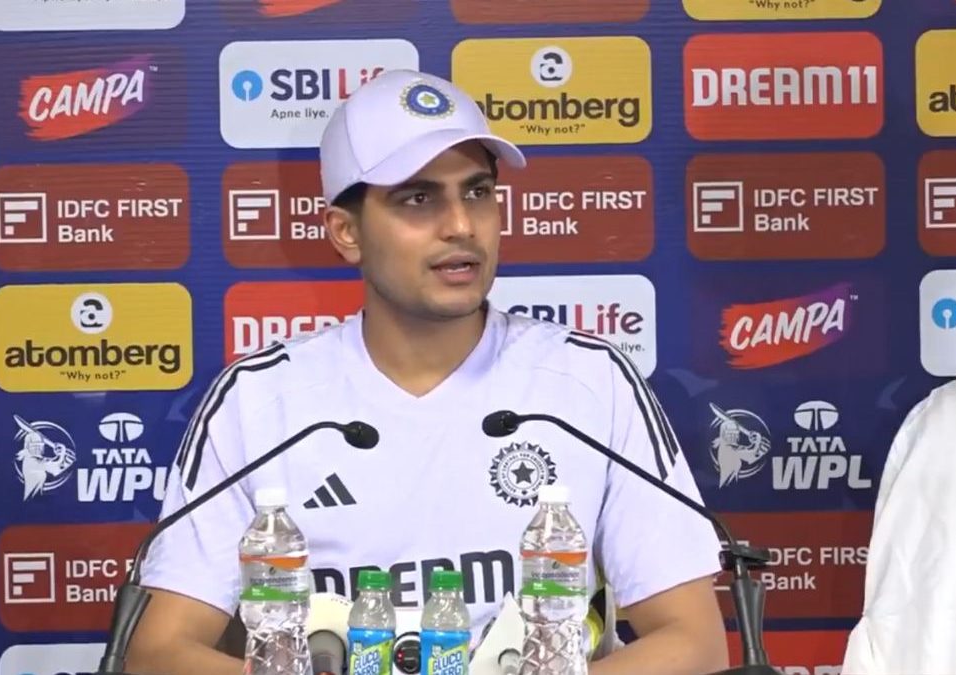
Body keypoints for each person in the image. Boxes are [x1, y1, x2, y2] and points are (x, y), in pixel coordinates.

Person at [126, 69, 728, 674]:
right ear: (346, 232)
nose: (461, 226)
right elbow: (158, 653)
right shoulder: (260, 400)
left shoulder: (588, 381)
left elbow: (694, 642)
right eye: (418, 199)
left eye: (477, 192)